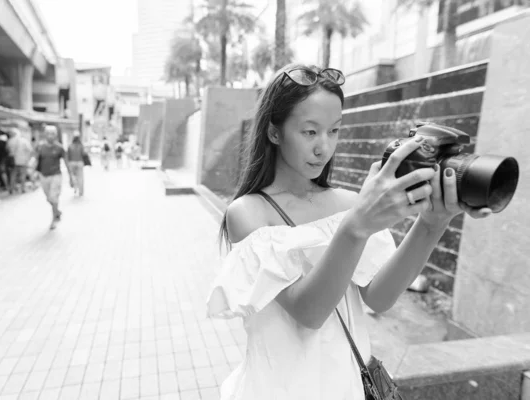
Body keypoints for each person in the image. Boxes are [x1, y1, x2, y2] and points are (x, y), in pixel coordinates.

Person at [205, 64, 493, 400]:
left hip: (348, 388)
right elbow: (308, 312)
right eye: (309, 132)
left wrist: (431, 223)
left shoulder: (346, 202)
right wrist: (356, 227)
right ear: (274, 132)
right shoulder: (249, 212)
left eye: (334, 130)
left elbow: (379, 297)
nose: (323, 147)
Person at [35, 125, 72, 229]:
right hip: (43, 175)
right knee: (49, 198)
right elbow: (37, 160)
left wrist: (71, 178)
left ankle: (54, 219)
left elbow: (66, 162)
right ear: (45, 135)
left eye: (52, 134)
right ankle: (57, 212)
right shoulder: (40, 147)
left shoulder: (59, 148)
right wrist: (34, 173)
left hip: (56, 175)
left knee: (54, 196)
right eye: (48, 134)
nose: (50, 136)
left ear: (55, 135)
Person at [6, 128, 33, 194]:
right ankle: (22, 189)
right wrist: (28, 158)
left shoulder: (10, 141)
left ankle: (11, 189)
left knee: (13, 175)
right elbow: (30, 150)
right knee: (22, 175)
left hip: (13, 161)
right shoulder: (24, 140)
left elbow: (7, 150)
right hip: (23, 160)